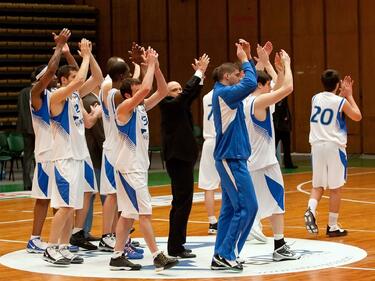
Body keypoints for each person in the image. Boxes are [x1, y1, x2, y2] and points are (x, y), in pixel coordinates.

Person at [109, 48, 178, 271]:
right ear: (129, 94)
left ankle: (117, 256)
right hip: (129, 169)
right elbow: (148, 88)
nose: (143, 92)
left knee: (128, 214)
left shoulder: (141, 107)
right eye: (137, 90)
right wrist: (149, 63)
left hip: (134, 167)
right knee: (144, 213)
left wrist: (156, 67)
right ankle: (157, 255)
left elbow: (163, 90)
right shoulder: (124, 108)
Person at [43, 38, 103, 265]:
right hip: (64, 159)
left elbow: (96, 78)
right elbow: (81, 79)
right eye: (73, 79)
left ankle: (63, 246)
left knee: (71, 208)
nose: (78, 82)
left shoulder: (76, 96)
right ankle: (50, 247)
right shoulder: (56, 96)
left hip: (78, 157)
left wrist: (91, 55)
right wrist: (84, 56)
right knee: (65, 206)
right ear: (63, 81)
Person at [244, 45, 300, 261]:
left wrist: (271, 65)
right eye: (268, 84)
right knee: (276, 202)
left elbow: (279, 85)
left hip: (253, 162)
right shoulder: (259, 101)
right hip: (264, 163)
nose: (271, 87)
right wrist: (287, 63)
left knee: (253, 207)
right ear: (259, 85)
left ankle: (277, 244)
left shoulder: (249, 100)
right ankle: (279, 246)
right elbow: (287, 88)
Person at [210, 39, 258, 272]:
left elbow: (249, 82)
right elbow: (250, 82)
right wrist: (245, 59)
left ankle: (222, 254)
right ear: (227, 77)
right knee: (248, 206)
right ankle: (227, 253)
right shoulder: (224, 93)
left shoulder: (227, 93)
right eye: (236, 75)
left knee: (230, 210)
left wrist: (249, 57)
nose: (240, 77)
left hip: (234, 157)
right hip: (230, 158)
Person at [159, 54, 210, 259]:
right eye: (174, 89)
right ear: (166, 93)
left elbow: (191, 93)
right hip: (178, 158)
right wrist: (198, 72)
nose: (179, 92)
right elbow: (188, 93)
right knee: (181, 202)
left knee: (182, 202)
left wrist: (201, 77)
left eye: (180, 88)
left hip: (183, 158)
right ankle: (176, 247)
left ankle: (177, 244)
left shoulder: (179, 105)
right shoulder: (168, 105)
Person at [26, 28, 71, 253]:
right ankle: (35, 238)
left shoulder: (55, 97)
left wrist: (66, 51)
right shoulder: (35, 95)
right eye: (48, 76)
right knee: (44, 199)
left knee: (58, 201)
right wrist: (58, 47)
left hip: (59, 154)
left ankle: (61, 242)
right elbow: (53, 68)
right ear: (39, 79)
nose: (53, 78)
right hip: (46, 155)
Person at [304, 70, 362, 237]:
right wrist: (348, 95)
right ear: (338, 85)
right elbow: (357, 116)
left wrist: (341, 94)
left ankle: (311, 209)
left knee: (318, 185)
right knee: (336, 188)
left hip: (316, 145)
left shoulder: (315, 98)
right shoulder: (340, 101)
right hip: (334, 146)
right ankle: (333, 226)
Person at [97, 57, 130, 252]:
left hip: (117, 146)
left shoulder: (110, 85)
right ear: (120, 75)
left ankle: (117, 233)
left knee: (117, 194)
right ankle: (106, 235)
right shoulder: (109, 87)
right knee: (111, 193)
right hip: (112, 146)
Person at [198, 89, 220, 235]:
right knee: (230, 183)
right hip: (223, 140)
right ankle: (230, 219)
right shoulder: (229, 93)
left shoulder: (206, 96)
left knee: (209, 185)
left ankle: (212, 222)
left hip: (209, 142)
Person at [16, 74, 35, 191]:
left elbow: (19, 108)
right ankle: (39, 182)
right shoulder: (37, 91)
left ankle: (26, 183)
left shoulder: (22, 92)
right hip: (35, 127)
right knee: (39, 156)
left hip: (24, 127)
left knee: (27, 156)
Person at [273, 97, 297, 169]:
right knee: (273, 147)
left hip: (284, 127)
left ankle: (288, 164)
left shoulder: (283, 99)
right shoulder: (275, 100)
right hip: (277, 127)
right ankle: (273, 163)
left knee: (287, 147)